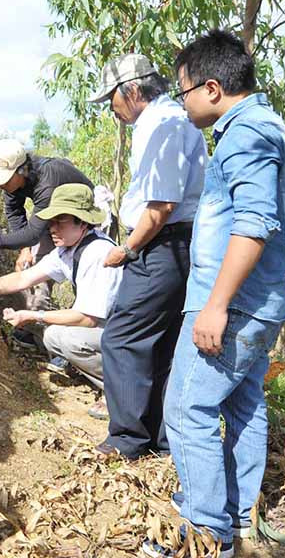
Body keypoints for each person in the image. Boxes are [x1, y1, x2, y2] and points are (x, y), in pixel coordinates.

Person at [141, 30, 285, 558]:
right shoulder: (263, 126)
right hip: (259, 301)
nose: (182, 102)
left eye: (183, 91)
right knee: (244, 403)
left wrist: (215, 305)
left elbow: (253, 224)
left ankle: (206, 534)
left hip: (234, 303)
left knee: (187, 408)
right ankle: (235, 518)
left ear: (212, 88)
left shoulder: (248, 132)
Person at [87, 54, 207, 450]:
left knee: (121, 337)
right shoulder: (171, 120)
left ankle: (127, 438)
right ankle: (159, 437)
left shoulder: (163, 125)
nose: (111, 108)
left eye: (112, 98)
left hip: (162, 245)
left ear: (133, 91)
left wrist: (128, 248)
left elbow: (162, 205)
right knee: (161, 340)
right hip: (176, 244)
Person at [0, 184, 122, 388]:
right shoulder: (68, 250)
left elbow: (86, 319)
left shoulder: (97, 253)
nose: (52, 228)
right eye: (51, 221)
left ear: (82, 222)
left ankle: (122, 389)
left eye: (60, 221)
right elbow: (22, 279)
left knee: (64, 338)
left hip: (129, 332)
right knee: (54, 337)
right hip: (110, 327)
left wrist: (34, 315)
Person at [0, 139, 95, 350]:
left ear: (22, 170)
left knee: (84, 278)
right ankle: (40, 335)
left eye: (5, 179)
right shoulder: (13, 184)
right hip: (57, 219)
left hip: (86, 220)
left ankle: (84, 339)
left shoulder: (48, 180)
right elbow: (15, 214)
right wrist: (24, 250)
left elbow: (32, 233)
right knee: (35, 270)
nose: (1, 185)